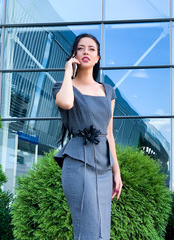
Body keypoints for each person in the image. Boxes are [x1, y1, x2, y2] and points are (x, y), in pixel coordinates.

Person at [52, 33, 122, 240]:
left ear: (98, 57)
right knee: (87, 227)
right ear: (74, 54)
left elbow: (109, 133)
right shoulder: (63, 86)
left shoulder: (108, 91)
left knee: (102, 229)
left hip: (103, 165)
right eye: (80, 48)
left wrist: (116, 172)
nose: (86, 52)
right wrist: (67, 72)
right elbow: (65, 103)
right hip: (78, 162)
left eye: (91, 49)